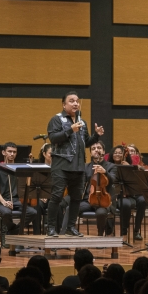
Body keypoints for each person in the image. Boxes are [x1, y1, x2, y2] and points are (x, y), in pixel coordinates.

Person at [46, 91, 104, 237]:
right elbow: (53, 138)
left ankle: (71, 227)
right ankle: (51, 228)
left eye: (77, 101)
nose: (75, 103)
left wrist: (96, 135)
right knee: (57, 196)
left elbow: (87, 143)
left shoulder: (82, 122)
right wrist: (70, 130)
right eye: (71, 101)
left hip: (78, 167)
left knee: (76, 197)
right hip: (61, 166)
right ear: (64, 104)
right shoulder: (57, 119)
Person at [0, 142, 38, 247]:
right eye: (9, 151)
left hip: (17, 200)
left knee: (32, 212)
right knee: (6, 213)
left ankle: (13, 230)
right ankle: (13, 229)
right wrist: (4, 202)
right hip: (1, 201)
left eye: (14, 152)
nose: (12, 154)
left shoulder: (19, 169)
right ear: (3, 152)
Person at [108, 145, 147, 241]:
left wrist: (129, 168)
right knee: (126, 204)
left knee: (143, 200)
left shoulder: (128, 165)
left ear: (124, 155)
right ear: (112, 154)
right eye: (115, 152)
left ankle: (136, 230)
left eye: (120, 153)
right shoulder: (108, 166)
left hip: (131, 193)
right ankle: (124, 231)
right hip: (117, 195)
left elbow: (137, 181)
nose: (117, 154)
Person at [79, 141, 117, 237]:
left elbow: (113, 179)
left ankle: (100, 235)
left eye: (99, 148)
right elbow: (81, 184)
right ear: (91, 153)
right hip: (88, 200)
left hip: (104, 202)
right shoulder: (86, 167)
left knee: (101, 213)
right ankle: (66, 234)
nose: (96, 150)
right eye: (93, 148)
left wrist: (105, 172)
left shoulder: (111, 166)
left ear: (103, 152)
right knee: (71, 208)